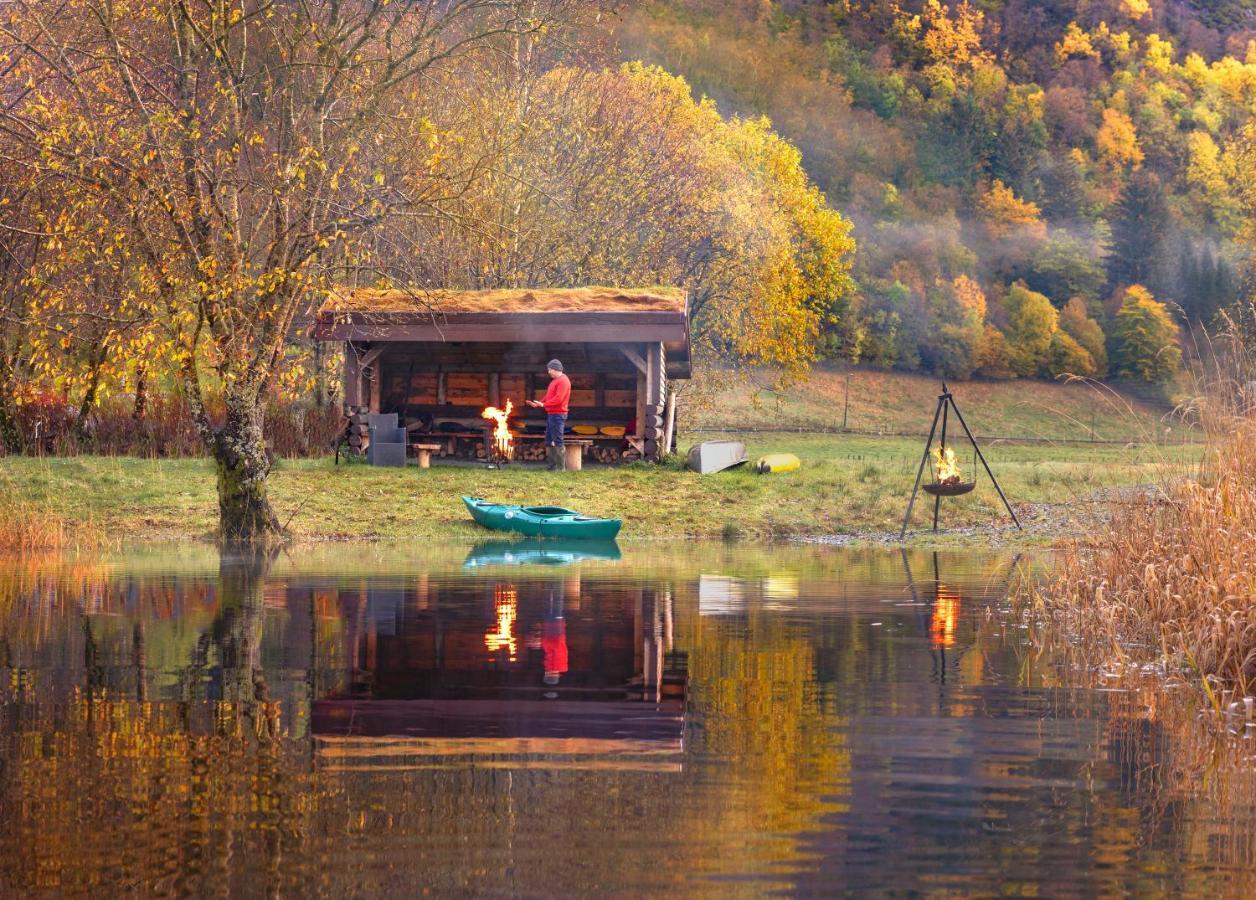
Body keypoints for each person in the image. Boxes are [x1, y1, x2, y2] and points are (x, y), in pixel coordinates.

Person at [526, 358, 570, 471]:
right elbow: (549, 396)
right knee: (549, 440)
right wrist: (539, 403)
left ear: (556, 369)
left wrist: (543, 405)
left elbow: (559, 399)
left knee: (558, 440)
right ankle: (551, 466)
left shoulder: (563, 381)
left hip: (558, 414)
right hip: (552, 414)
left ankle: (561, 468)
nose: (548, 372)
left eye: (550, 369)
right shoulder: (554, 381)